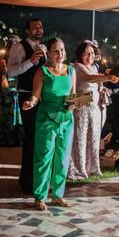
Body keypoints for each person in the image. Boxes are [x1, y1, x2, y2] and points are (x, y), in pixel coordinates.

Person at [22, 38, 75, 210]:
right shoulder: (43, 71)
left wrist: (77, 103)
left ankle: (58, 195)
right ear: (49, 53)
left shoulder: (71, 70)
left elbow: (72, 96)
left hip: (66, 119)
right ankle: (39, 196)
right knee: (44, 157)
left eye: (62, 50)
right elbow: (36, 96)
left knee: (63, 157)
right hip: (46, 117)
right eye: (56, 51)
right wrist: (30, 102)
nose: (60, 54)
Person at [68, 40, 119, 181]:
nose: (89, 56)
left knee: (94, 138)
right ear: (80, 55)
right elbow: (88, 78)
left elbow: (95, 82)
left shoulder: (95, 68)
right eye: (85, 53)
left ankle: (93, 167)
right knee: (80, 138)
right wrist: (108, 77)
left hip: (95, 108)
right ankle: (79, 169)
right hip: (82, 106)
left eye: (91, 53)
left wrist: (102, 88)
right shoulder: (76, 67)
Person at [7, 19, 45, 194]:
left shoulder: (42, 48)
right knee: (31, 138)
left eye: (41, 26)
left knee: (39, 139)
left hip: (43, 98)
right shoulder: (19, 47)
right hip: (27, 95)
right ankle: (28, 182)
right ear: (27, 30)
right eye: (35, 27)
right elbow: (10, 71)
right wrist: (30, 61)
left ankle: (32, 179)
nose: (39, 29)